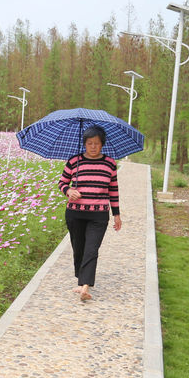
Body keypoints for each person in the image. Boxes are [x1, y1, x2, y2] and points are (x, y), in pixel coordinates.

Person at [57, 125, 122, 301]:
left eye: (97, 143)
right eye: (89, 143)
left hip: (99, 215)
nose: (93, 146)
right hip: (75, 214)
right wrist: (69, 191)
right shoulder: (74, 161)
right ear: (84, 143)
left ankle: (85, 286)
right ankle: (81, 280)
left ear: (103, 144)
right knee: (78, 248)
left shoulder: (110, 163)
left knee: (91, 249)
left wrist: (116, 214)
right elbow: (62, 183)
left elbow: (113, 190)